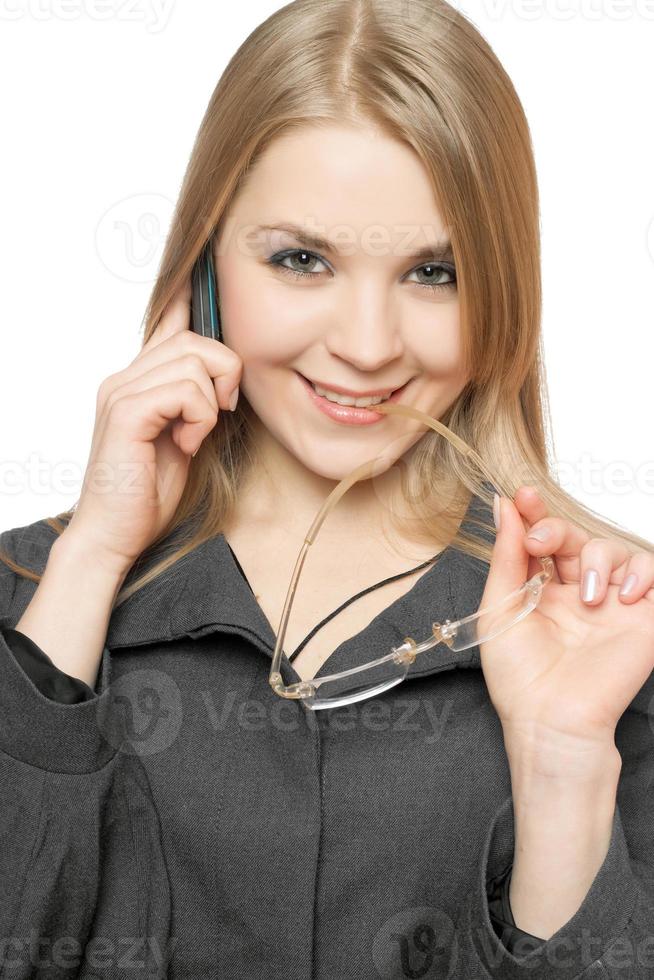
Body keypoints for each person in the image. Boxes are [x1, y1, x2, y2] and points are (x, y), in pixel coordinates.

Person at [1, 1, 653, 977]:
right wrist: (91, 557)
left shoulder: (612, 632)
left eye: (435, 271)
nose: (367, 343)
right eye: (301, 259)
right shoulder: (33, 593)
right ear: (206, 261)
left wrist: (564, 771)